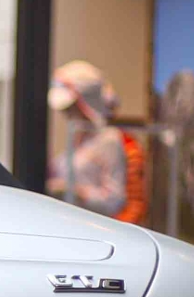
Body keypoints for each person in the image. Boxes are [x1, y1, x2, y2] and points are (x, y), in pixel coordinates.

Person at [45, 60, 130, 217]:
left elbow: (115, 201)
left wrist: (77, 193)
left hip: (91, 228)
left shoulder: (108, 139)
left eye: (71, 108)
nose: (67, 115)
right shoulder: (76, 137)